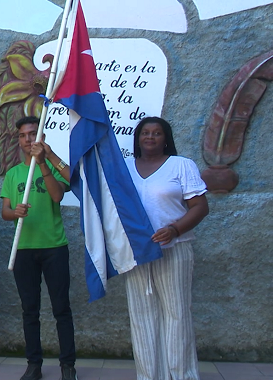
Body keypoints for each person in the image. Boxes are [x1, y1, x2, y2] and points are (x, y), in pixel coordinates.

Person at [124, 116, 209, 380]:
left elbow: (200, 207)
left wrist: (175, 229)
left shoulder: (181, 165)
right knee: (142, 319)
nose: (150, 137)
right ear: (137, 139)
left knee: (176, 315)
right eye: (145, 133)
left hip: (174, 249)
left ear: (166, 138)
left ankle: (182, 375)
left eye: (157, 133)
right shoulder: (125, 167)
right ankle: (149, 376)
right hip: (137, 254)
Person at [0, 116, 77, 380]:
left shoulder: (52, 167)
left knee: (61, 308)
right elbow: (5, 212)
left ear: (41, 136)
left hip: (54, 246)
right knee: (29, 310)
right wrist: (15, 212)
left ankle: (68, 365)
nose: (28, 139)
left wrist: (44, 163)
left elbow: (58, 195)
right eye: (23, 135)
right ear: (18, 140)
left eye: (33, 133)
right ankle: (34, 364)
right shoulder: (13, 174)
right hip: (24, 249)